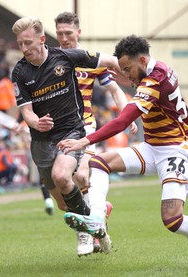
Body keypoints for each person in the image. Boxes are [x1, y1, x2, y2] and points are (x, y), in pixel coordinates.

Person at [57, 35, 188, 267]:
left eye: (128, 69)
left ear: (141, 60)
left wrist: (84, 141)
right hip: (153, 147)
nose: (127, 75)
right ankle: (97, 219)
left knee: (172, 219)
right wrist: (113, 68)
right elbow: (126, 76)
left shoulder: (154, 80)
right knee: (99, 162)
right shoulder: (150, 70)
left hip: (176, 150)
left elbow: (122, 121)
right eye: (124, 70)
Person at [11, 16, 122, 254]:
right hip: (41, 141)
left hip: (71, 130)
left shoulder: (66, 57)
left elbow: (110, 60)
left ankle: (85, 232)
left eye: (28, 43)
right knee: (63, 203)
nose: (24, 48)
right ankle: (97, 224)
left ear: (42, 39)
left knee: (63, 176)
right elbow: (26, 112)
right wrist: (35, 122)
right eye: (20, 44)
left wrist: (144, 70)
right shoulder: (20, 72)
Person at [53, 11, 137, 256]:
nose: (64, 38)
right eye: (60, 34)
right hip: (57, 131)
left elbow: (114, 89)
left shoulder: (91, 60)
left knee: (81, 175)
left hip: (84, 127)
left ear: (79, 33)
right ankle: (99, 215)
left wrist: (126, 114)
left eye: (69, 33)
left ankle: (89, 232)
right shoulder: (50, 60)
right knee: (61, 198)